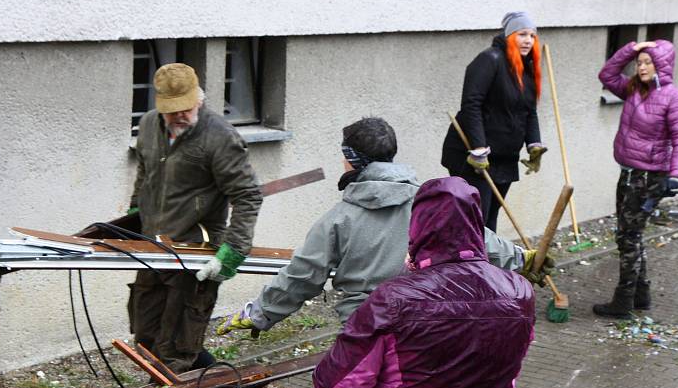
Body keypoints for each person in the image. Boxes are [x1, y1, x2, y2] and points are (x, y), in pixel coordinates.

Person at [313, 177, 535, 388]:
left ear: (419, 227)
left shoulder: (393, 299)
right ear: (477, 224)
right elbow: (507, 378)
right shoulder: (519, 294)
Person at [217, 117, 551, 337]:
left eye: (344, 156)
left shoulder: (339, 219)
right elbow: (480, 240)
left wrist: (259, 313)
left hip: (364, 332)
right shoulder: (431, 204)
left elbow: (302, 276)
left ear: (353, 160)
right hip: (425, 329)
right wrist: (522, 260)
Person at [128, 63, 263, 373]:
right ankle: (218, 384)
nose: (180, 116)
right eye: (172, 110)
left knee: (176, 347)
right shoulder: (149, 125)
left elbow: (248, 195)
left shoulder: (219, 137)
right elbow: (144, 172)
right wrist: (135, 215)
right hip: (153, 250)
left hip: (195, 254)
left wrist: (231, 254)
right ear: (159, 105)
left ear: (199, 98)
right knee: (146, 336)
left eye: (186, 108)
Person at [593, 40, 678, 319]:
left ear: (662, 65)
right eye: (640, 62)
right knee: (630, 234)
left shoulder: (675, 98)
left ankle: (623, 301)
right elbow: (607, 75)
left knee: (627, 236)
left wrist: (676, 175)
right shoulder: (634, 89)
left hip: (650, 177)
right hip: (628, 173)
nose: (642, 66)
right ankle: (641, 294)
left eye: (648, 61)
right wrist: (633, 48)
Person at [441, 11, 546, 231]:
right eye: (522, 34)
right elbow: (471, 105)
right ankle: (470, 264)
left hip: (505, 159)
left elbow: (529, 112)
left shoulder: (527, 70)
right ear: (509, 35)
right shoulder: (489, 60)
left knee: (489, 221)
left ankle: (488, 264)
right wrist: (478, 149)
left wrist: (534, 145)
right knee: (475, 220)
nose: (528, 40)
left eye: (532, 35)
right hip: (473, 155)